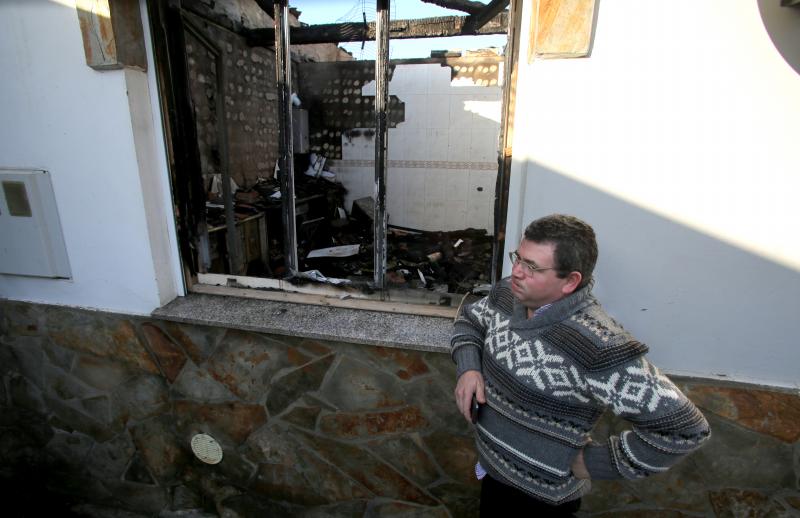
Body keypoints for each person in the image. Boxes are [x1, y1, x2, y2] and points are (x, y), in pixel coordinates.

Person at [451, 214, 710, 516]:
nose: (516, 272)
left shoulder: (599, 346)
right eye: (518, 258)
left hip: (538, 501)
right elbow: (469, 320)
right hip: (492, 472)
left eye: (531, 267)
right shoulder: (507, 294)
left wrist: (591, 462)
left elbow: (686, 430)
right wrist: (468, 368)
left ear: (570, 281)